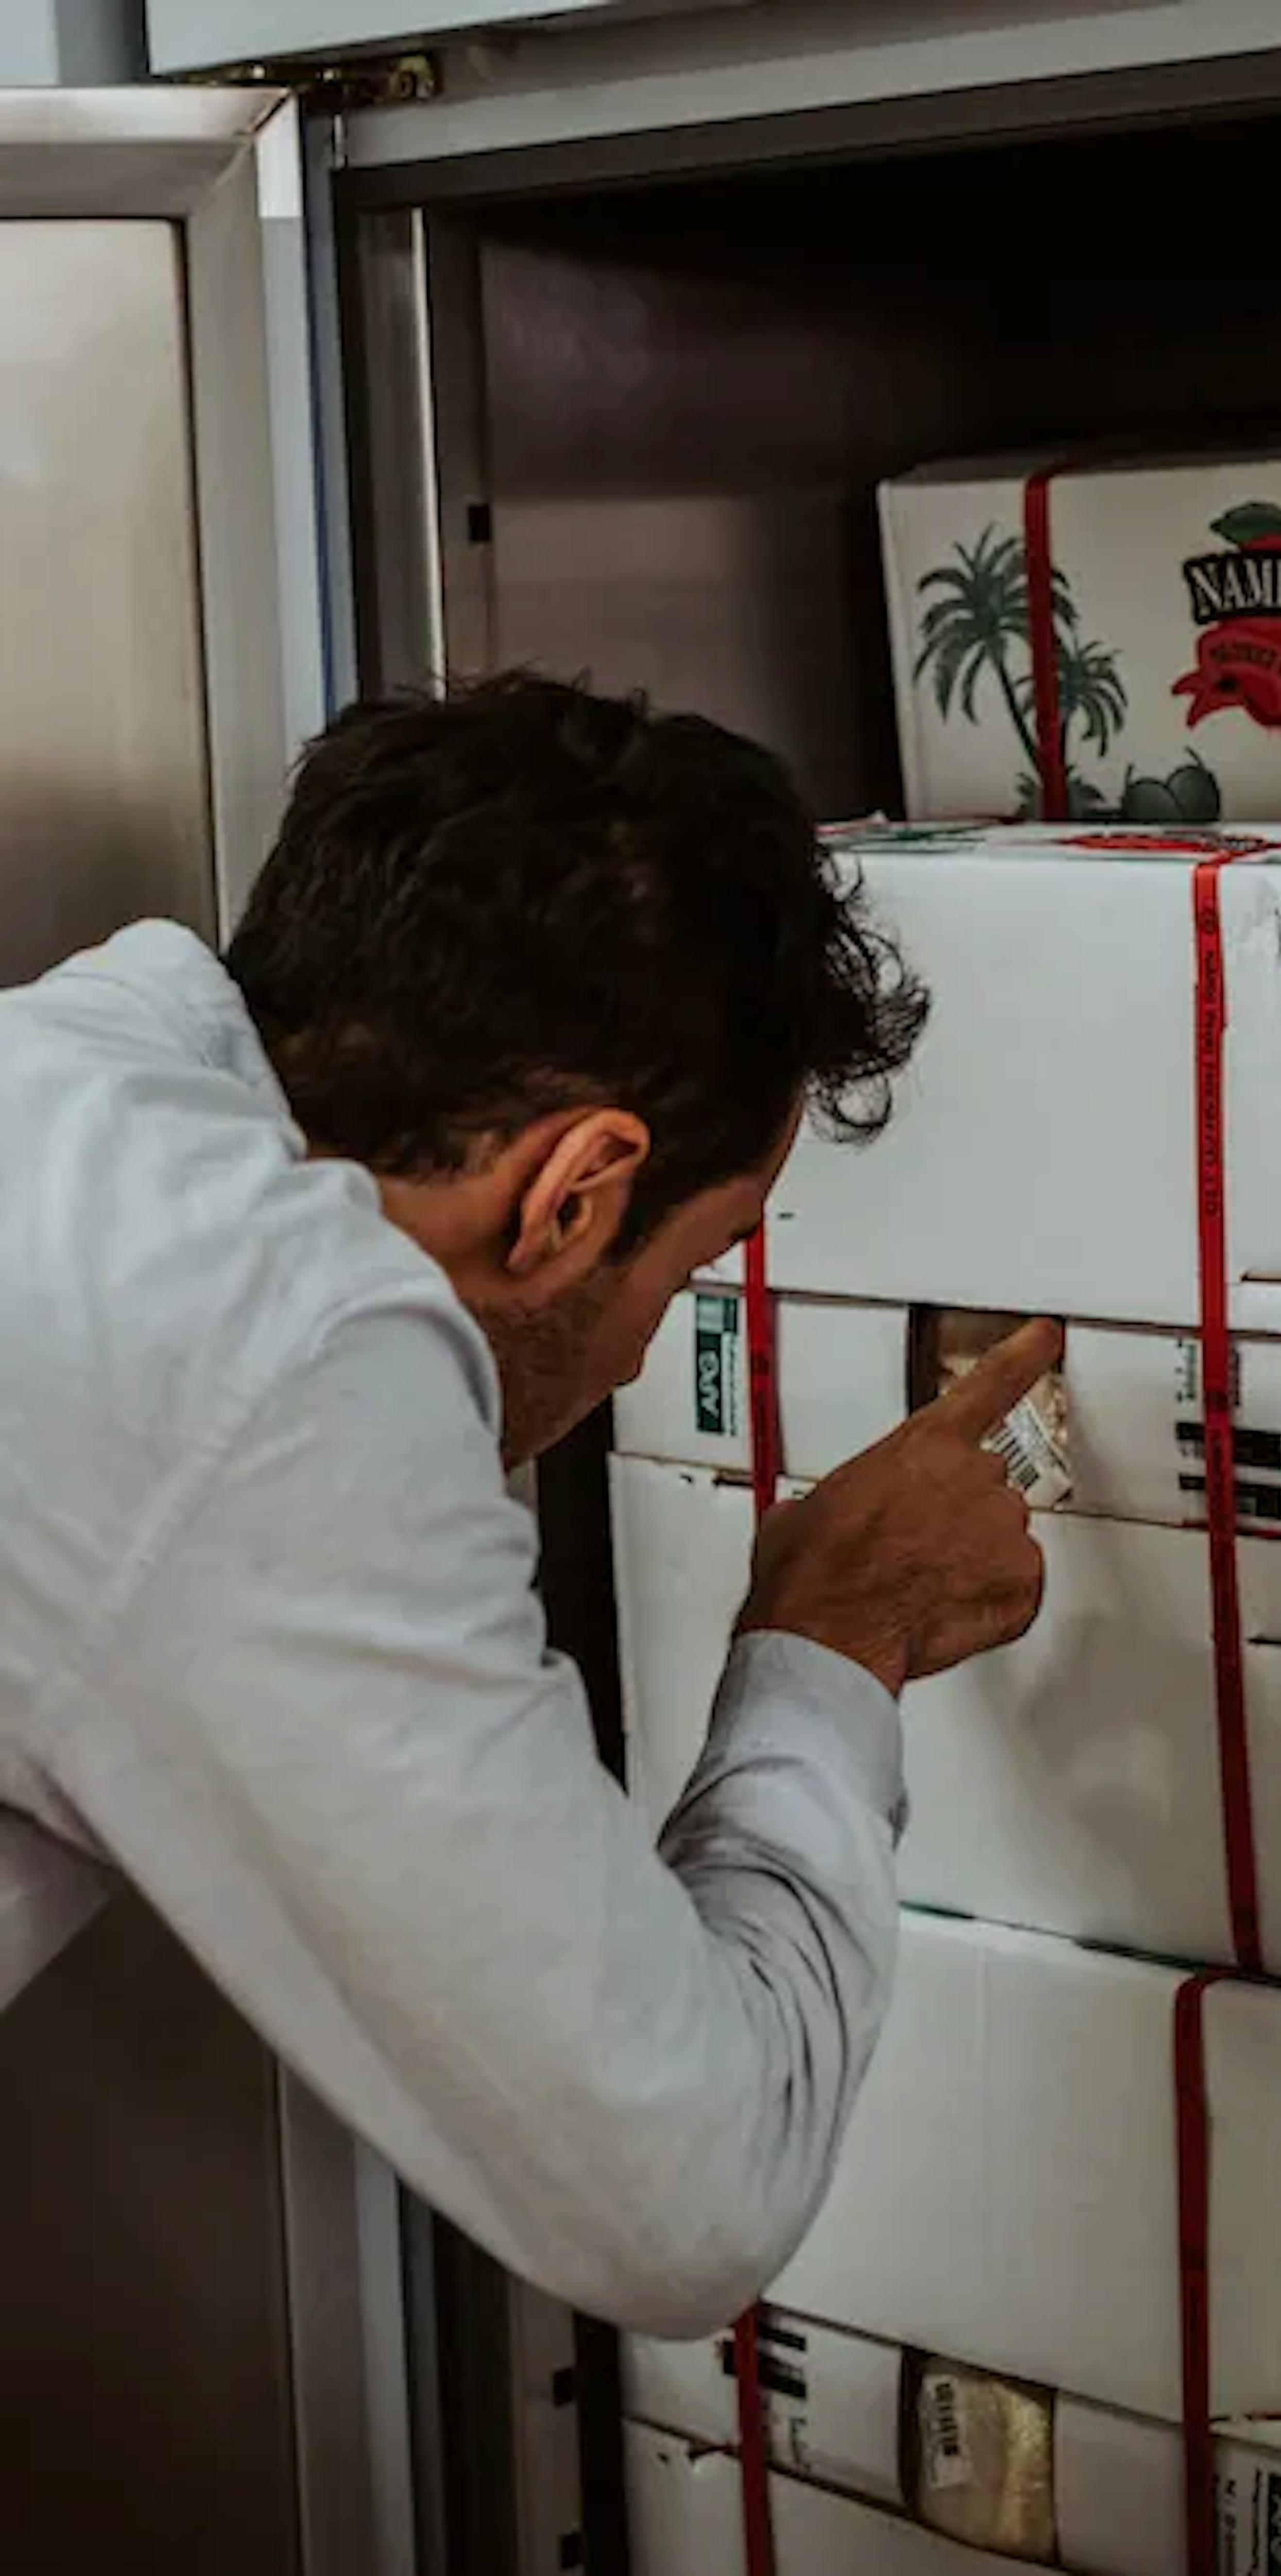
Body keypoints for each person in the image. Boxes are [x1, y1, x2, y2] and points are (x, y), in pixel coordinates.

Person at [0, 673, 1053, 2335]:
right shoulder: (271, 1347)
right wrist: (833, 1638)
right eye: (696, 1263)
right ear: (575, 1196)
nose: (649, 1353)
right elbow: (690, 2197)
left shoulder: (63, 1089)